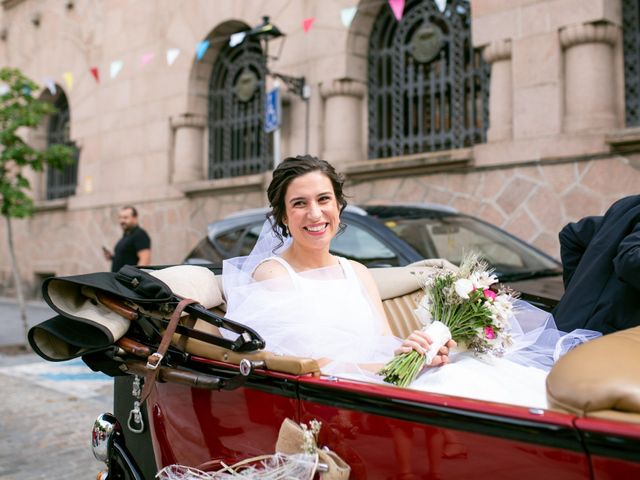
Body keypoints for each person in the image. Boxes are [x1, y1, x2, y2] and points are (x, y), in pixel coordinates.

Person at [223, 155, 598, 409]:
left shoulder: (356, 271)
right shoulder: (273, 273)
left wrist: (419, 350)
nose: (316, 213)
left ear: (338, 206)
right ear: (284, 217)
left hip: (383, 379)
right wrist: (397, 368)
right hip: (334, 394)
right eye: (299, 204)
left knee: (500, 378)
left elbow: (383, 343)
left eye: (324, 199)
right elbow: (302, 362)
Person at [553, 195, 640, 334]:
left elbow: (571, 235)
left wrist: (578, 293)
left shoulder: (628, 206)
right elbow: (630, 259)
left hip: (570, 325)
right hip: (598, 337)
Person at [103, 205, 152, 272]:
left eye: (125, 218)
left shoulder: (140, 234)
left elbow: (145, 260)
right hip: (118, 279)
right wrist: (112, 257)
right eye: (120, 217)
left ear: (135, 218)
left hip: (128, 281)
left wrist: (134, 278)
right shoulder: (126, 235)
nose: (122, 221)